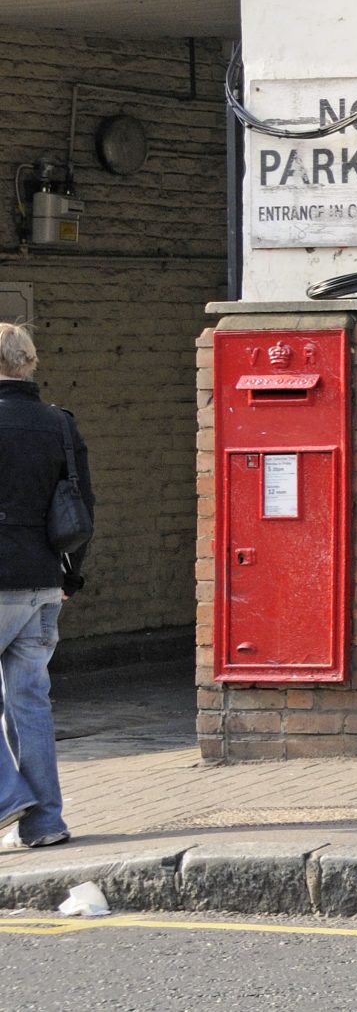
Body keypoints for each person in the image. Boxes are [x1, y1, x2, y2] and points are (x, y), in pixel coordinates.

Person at [0, 323, 91, 851]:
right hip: (42, 584)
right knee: (30, 702)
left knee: (26, 701)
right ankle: (45, 823)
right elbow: (83, 509)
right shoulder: (59, 425)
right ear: (29, 363)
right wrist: (69, 578)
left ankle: (8, 798)